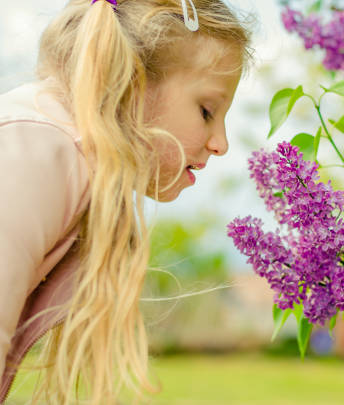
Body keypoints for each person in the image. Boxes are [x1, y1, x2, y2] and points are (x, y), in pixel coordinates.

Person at [0, 0, 251, 403]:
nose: (220, 144)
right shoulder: (39, 152)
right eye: (206, 111)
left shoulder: (64, 153)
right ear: (133, 84)